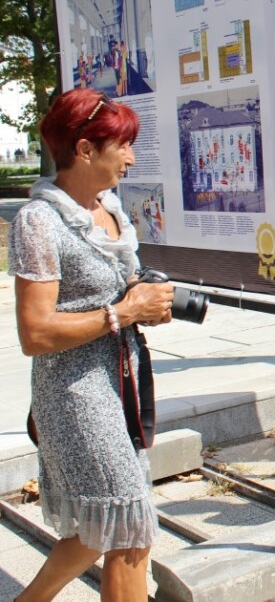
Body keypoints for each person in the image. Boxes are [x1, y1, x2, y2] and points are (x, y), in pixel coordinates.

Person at [10, 89, 176, 602]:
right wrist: (123, 313)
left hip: (120, 378)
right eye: (123, 146)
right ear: (84, 150)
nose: (130, 157)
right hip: (74, 392)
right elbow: (34, 333)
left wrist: (144, 300)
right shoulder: (38, 221)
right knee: (127, 518)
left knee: (107, 519)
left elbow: (112, 295)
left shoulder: (108, 210)